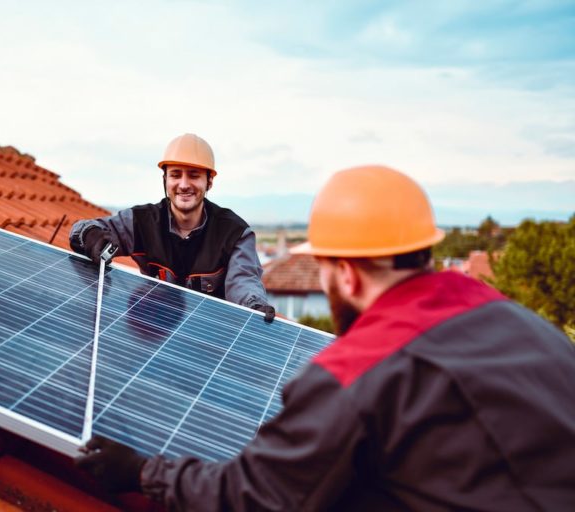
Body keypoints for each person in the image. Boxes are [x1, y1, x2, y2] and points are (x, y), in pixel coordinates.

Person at [75, 165, 575, 510]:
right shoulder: (512, 317)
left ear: (347, 276)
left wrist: (143, 472)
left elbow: (258, 494)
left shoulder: (354, 375)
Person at [69, 133, 275, 322]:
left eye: (194, 175)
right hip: (158, 329)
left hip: (211, 336)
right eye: (176, 175)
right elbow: (84, 229)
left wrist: (254, 306)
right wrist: (90, 235)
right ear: (165, 179)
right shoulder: (142, 222)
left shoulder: (234, 233)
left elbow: (243, 281)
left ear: (209, 181)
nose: (183, 185)